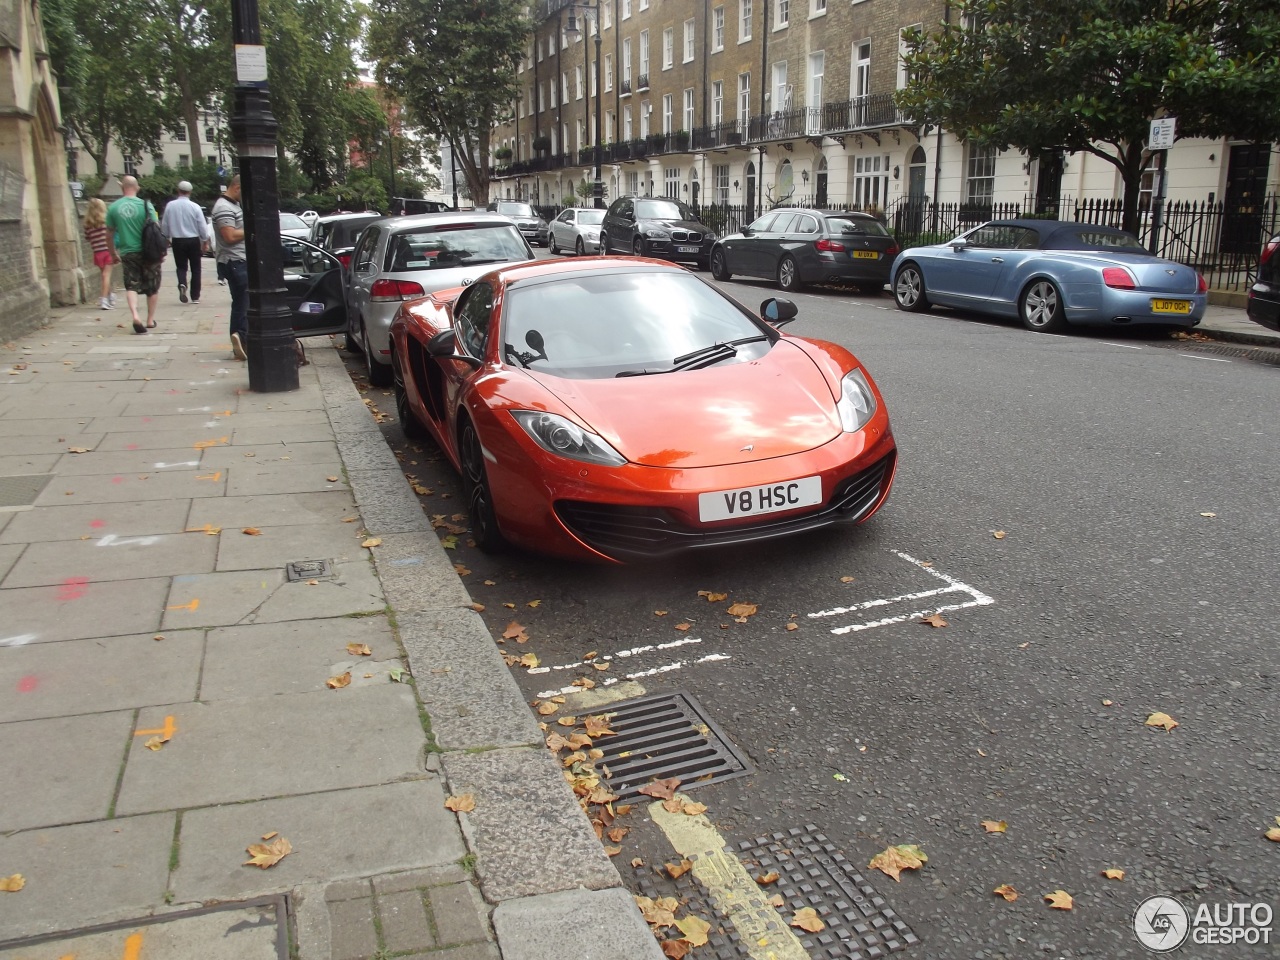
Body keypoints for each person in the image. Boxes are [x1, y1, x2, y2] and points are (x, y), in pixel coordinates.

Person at [104, 175, 162, 333]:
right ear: (137, 188)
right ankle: (150, 320)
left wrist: (113, 253)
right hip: (149, 251)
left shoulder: (114, 207)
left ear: (122, 188)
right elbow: (156, 226)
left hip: (128, 251)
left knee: (131, 285)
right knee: (152, 286)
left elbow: (108, 234)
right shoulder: (146, 205)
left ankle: (136, 316)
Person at [212, 174, 248, 360]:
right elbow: (229, 236)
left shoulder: (232, 205)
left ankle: (240, 339)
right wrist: (252, 228)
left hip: (237, 261)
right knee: (242, 302)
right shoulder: (224, 207)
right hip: (235, 261)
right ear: (237, 187)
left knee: (242, 301)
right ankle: (240, 337)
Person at [161, 179, 210, 304]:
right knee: (196, 268)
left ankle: (182, 283)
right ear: (190, 192)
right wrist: (205, 240)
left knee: (181, 266)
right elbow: (202, 225)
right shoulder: (195, 206)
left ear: (178, 191)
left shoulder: (170, 206)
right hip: (193, 240)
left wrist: (166, 237)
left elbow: (165, 224)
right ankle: (195, 296)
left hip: (177, 240)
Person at [82, 198, 116, 310]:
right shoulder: (106, 222)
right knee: (106, 276)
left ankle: (110, 297)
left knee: (104, 276)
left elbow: (87, 238)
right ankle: (104, 300)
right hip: (107, 251)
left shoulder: (87, 224)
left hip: (97, 253)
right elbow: (112, 234)